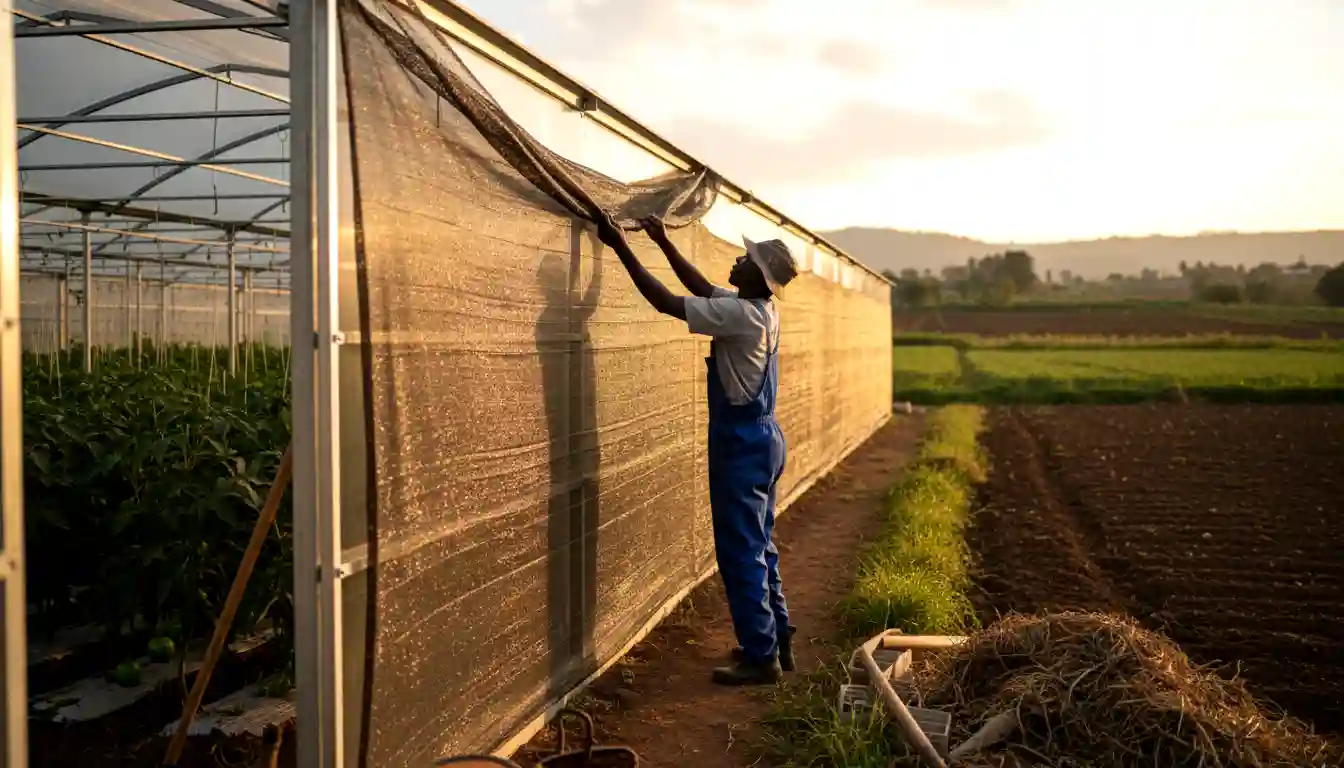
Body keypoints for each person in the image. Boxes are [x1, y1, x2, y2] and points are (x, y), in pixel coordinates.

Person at [593, 210, 800, 685]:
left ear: (759, 276)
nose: (736, 261)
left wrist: (618, 244)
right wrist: (662, 242)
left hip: (741, 443)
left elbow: (668, 301)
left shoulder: (740, 315)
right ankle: (777, 638)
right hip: (765, 439)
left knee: (740, 547)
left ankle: (760, 656)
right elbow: (704, 288)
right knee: (761, 541)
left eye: (745, 259)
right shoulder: (760, 310)